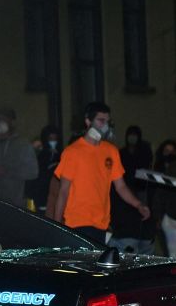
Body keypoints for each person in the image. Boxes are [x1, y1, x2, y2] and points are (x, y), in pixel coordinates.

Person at [52, 102, 150, 244]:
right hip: (77, 222)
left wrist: (138, 205)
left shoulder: (111, 151)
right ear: (88, 121)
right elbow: (63, 191)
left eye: (107, 121)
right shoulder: (73, 152)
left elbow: (120, 186)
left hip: (101, 223)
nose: (105, 125)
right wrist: (56, 225)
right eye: (101, 120)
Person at [108, 125, 155, 254]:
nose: (132, 138)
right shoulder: (121, 153)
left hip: (141, 189)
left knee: (143, 213)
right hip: (125, 189)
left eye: (134, 135)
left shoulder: (144, 152)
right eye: (130, 134)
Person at [26, 125, 61, 215]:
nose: (53, 141)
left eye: (55, 139)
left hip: (56, 197)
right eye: (50, 139)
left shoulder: (62, 155)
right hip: (41, 197)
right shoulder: (39, 156)